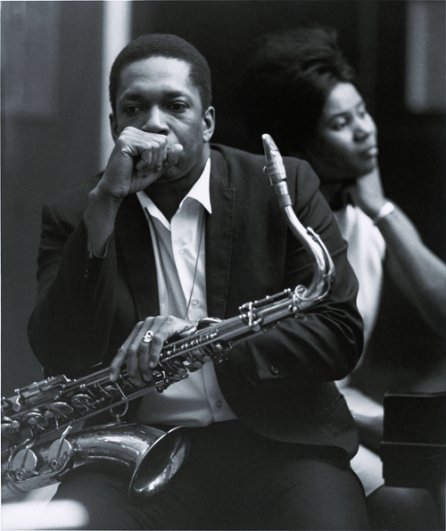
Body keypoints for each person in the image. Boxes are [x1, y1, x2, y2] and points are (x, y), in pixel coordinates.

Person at [27, 33, 369, 530]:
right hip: (136, 457)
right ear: (115, 125)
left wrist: (207, 339)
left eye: (175, 105)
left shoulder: (284, 186)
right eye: (134, 109)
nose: (154, 124)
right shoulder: (78, 213)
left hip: (281, 447)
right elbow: (60, 350)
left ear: (207, 121)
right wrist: (104, 206)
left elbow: (339, 335)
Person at [243, 26, 446, 530]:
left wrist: (381, 209)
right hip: (282, 424)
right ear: (302, 143)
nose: (364, 130)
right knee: (410, 503)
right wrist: (372, 422)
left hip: (343, 408)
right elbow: (266, 374)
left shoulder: (365, 219)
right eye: (340, 123)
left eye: (361, 112)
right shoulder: (273, 227)